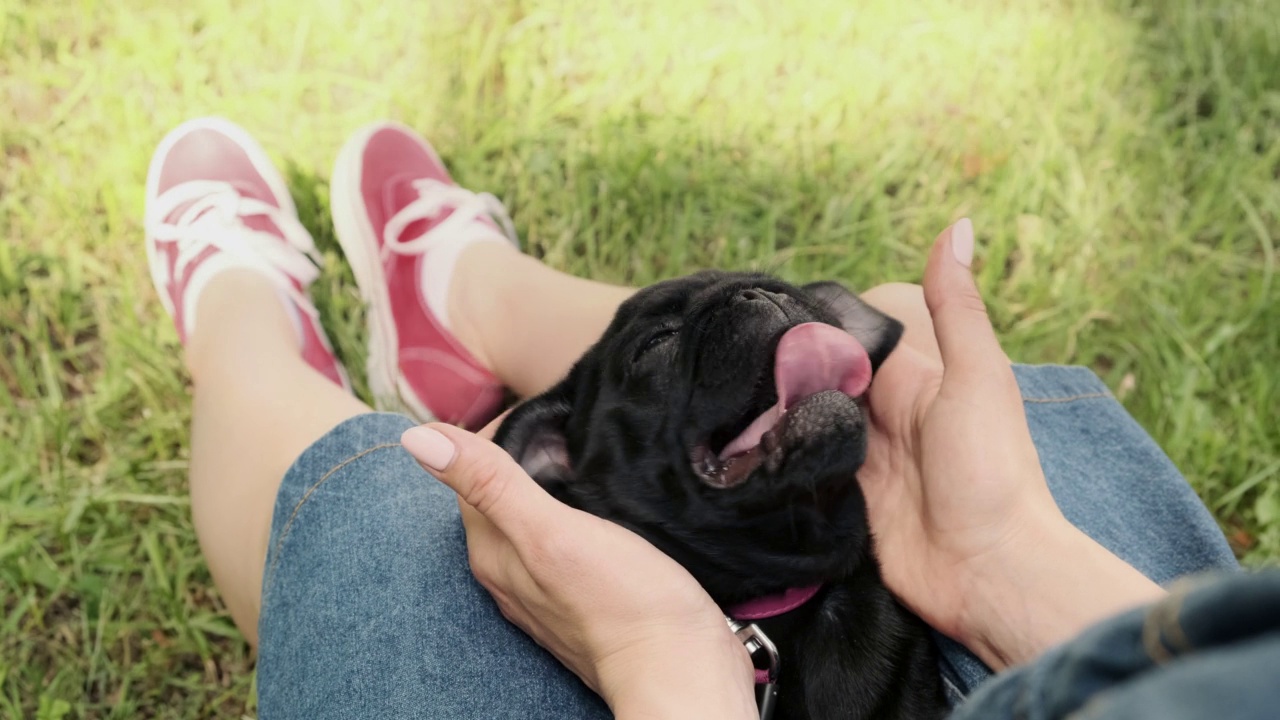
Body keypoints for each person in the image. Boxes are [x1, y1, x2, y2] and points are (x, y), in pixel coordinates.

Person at [144, 117, 1267, 720]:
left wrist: (663, 672)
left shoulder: (546, 467)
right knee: (898, 336)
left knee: (408, 514)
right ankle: (465, 293)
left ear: (553, 454)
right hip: (1129, 664)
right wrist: (1011, 557)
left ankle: (239, 314)